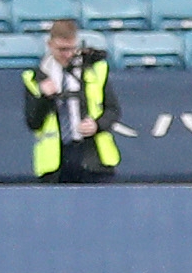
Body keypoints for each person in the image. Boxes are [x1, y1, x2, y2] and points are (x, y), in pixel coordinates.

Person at [22, 16, 126, 182]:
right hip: (55, 162)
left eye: (71, 49)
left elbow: (113, 110)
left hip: (93, 158)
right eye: (62, 49)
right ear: (50, 45)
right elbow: (33, 122)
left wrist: (96, 125)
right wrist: (44, 97)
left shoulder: (95, 70)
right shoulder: (35, 77)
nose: (68, 55)